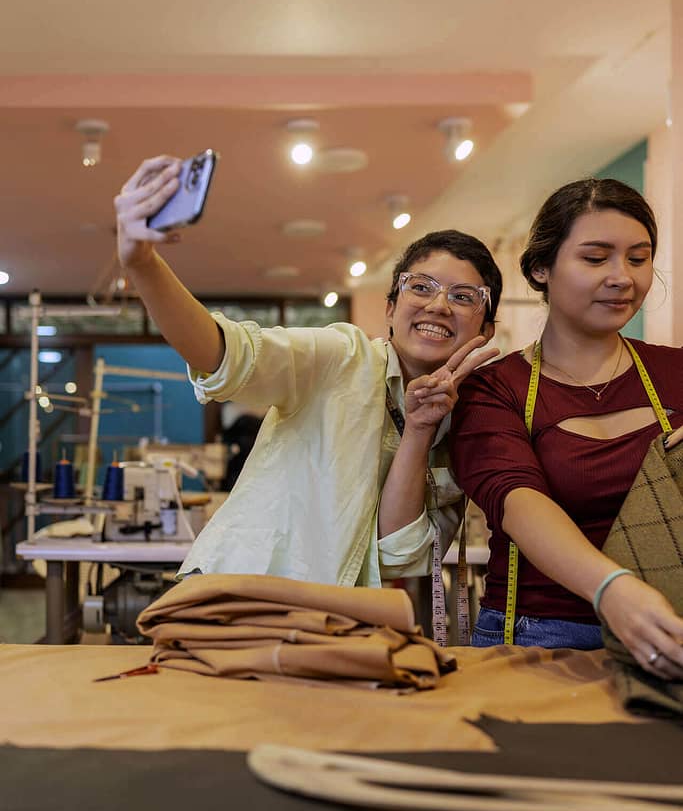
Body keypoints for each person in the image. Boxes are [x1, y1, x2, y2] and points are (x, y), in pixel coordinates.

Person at [115, 155, 502, 595]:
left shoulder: (466, 426)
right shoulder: (341, 357)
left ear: (486, 329)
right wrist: (142, 262)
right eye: (421, 286)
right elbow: (228, 354)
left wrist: (419, 428)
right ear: (390, 309)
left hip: (337, 621)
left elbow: (398, 554)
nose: (438, 305)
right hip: (244, 599)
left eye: (464, 296)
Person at [451, 177, 683, 680]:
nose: (622, 277)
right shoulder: (495, 388)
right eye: (596, 258)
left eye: (638, 258)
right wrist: (612, 589)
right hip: (540, 637)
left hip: (670, 629)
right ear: (541, 268)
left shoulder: (678, 375)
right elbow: (520, 502)